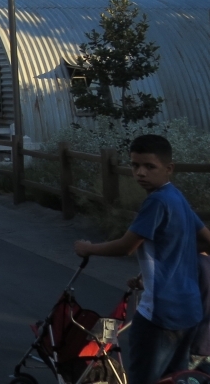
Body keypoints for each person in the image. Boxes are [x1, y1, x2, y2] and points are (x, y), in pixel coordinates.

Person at [74, 134, 210, 384]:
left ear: (169, 168)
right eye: (135, 165)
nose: (140, 173)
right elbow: (204, 240)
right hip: (189, 311)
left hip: (160, 314)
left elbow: (126, 246)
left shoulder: (156, 201)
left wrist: (88, 248)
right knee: (174, 378)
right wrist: (159, 268)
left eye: (149, 166)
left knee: (144, 377)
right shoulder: (177, 198)